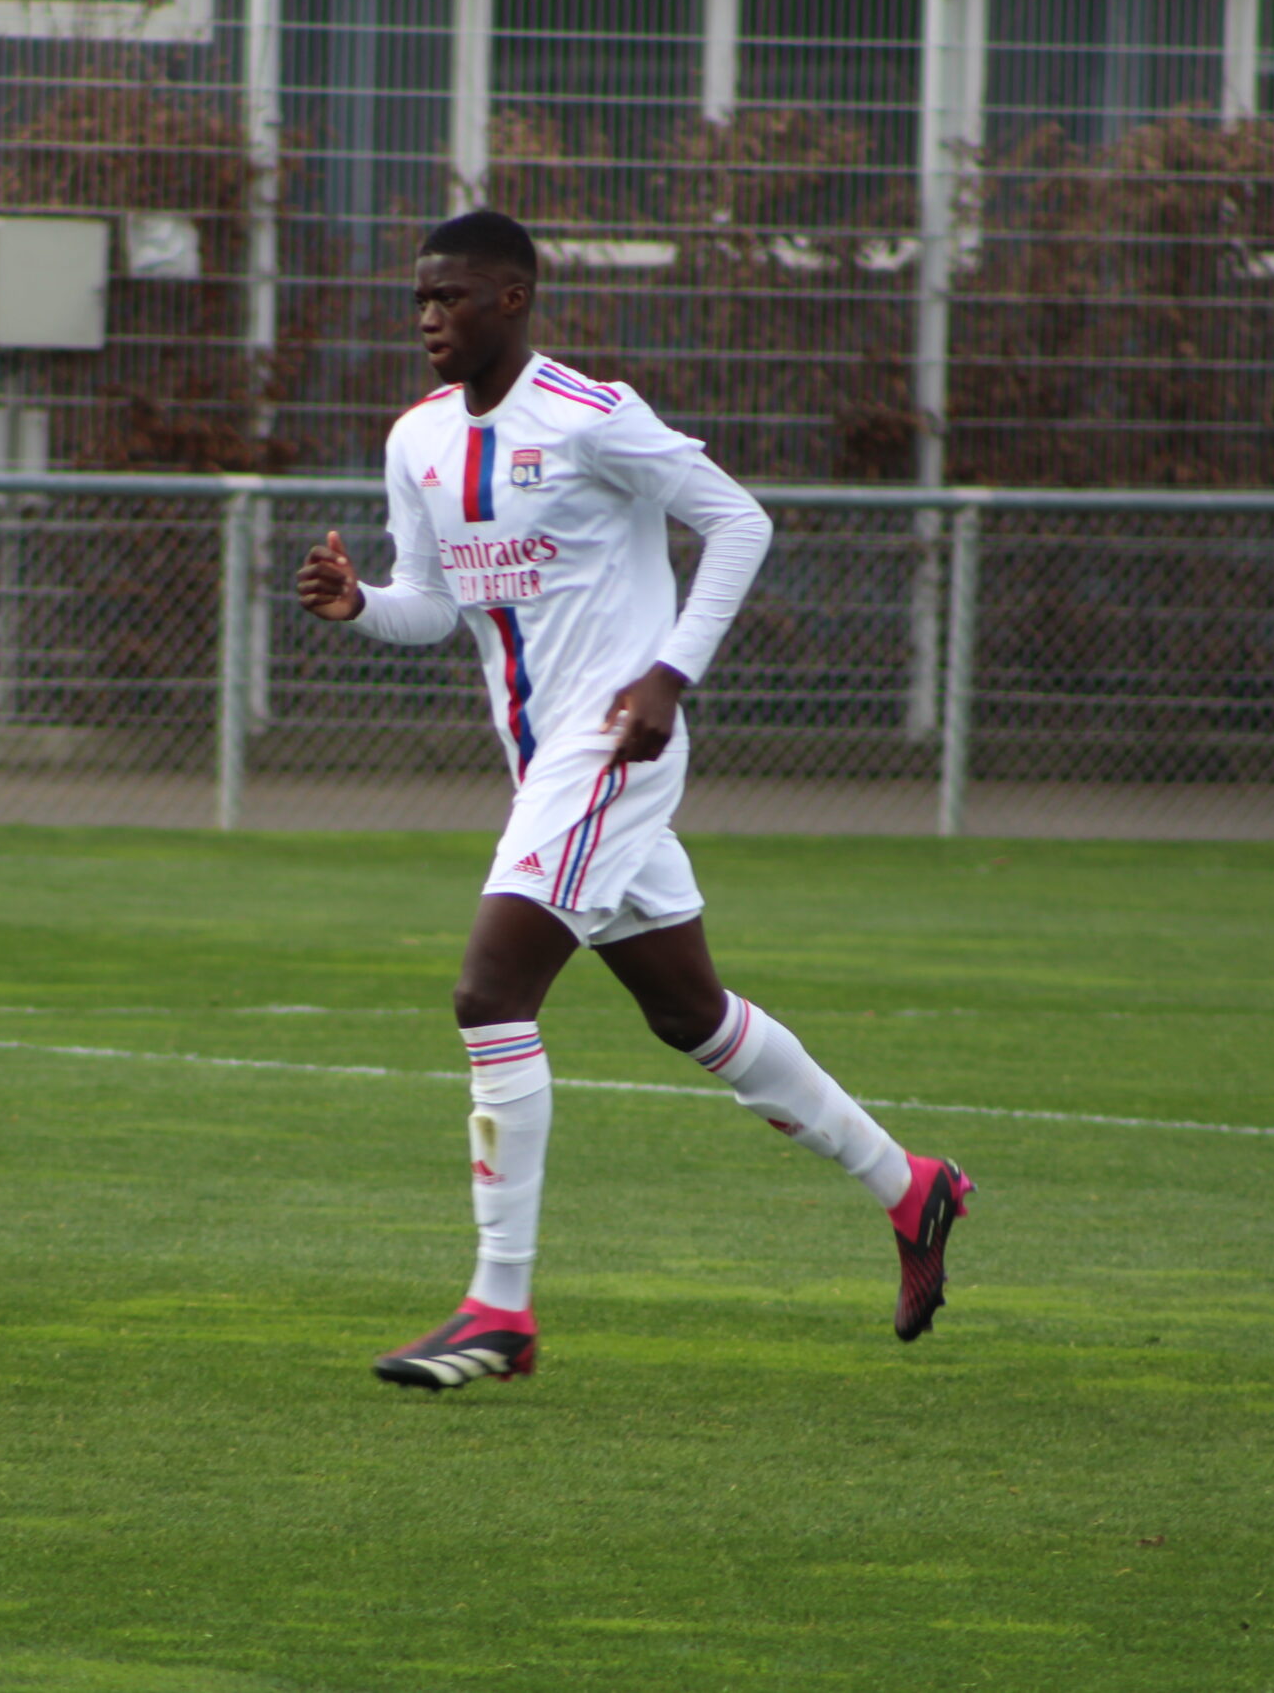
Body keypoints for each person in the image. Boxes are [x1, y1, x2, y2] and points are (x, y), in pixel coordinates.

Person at [295, 209, 973, 1392]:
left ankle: (498, 1309)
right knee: (691, 1016)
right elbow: (433, 605)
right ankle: (909, 1186)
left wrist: (668, 673)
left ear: (512, 298)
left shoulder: (592, 415)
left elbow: (736, 519)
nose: (426, 320)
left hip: (612, 748)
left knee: (488, 991)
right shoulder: (416, 443)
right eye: (419, 299)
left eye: (449, 298)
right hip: (544, 763)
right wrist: (360, 606)